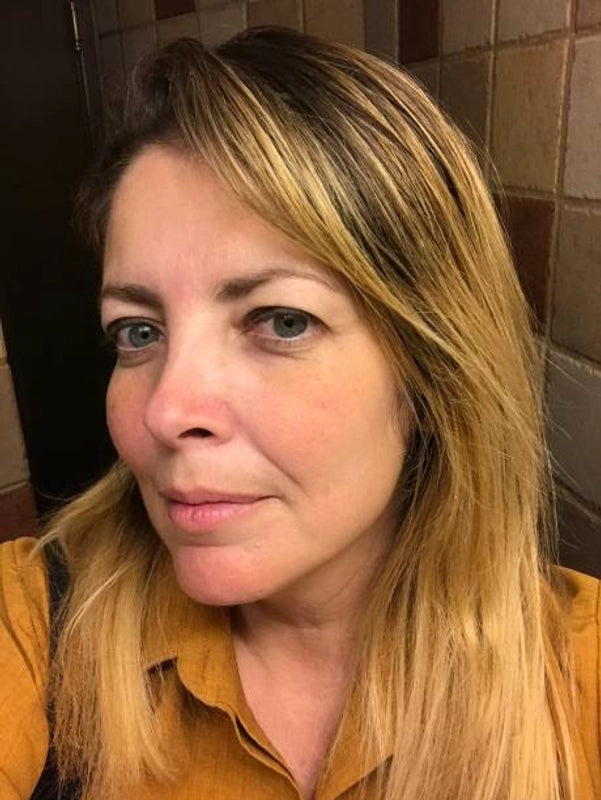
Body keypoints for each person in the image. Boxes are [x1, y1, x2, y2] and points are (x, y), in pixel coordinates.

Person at [0, 26, 599, 800]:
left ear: (432, 373)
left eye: (281, 321)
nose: (167, 411)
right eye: (138, 333)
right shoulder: (36, 623)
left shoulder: (577, 673)